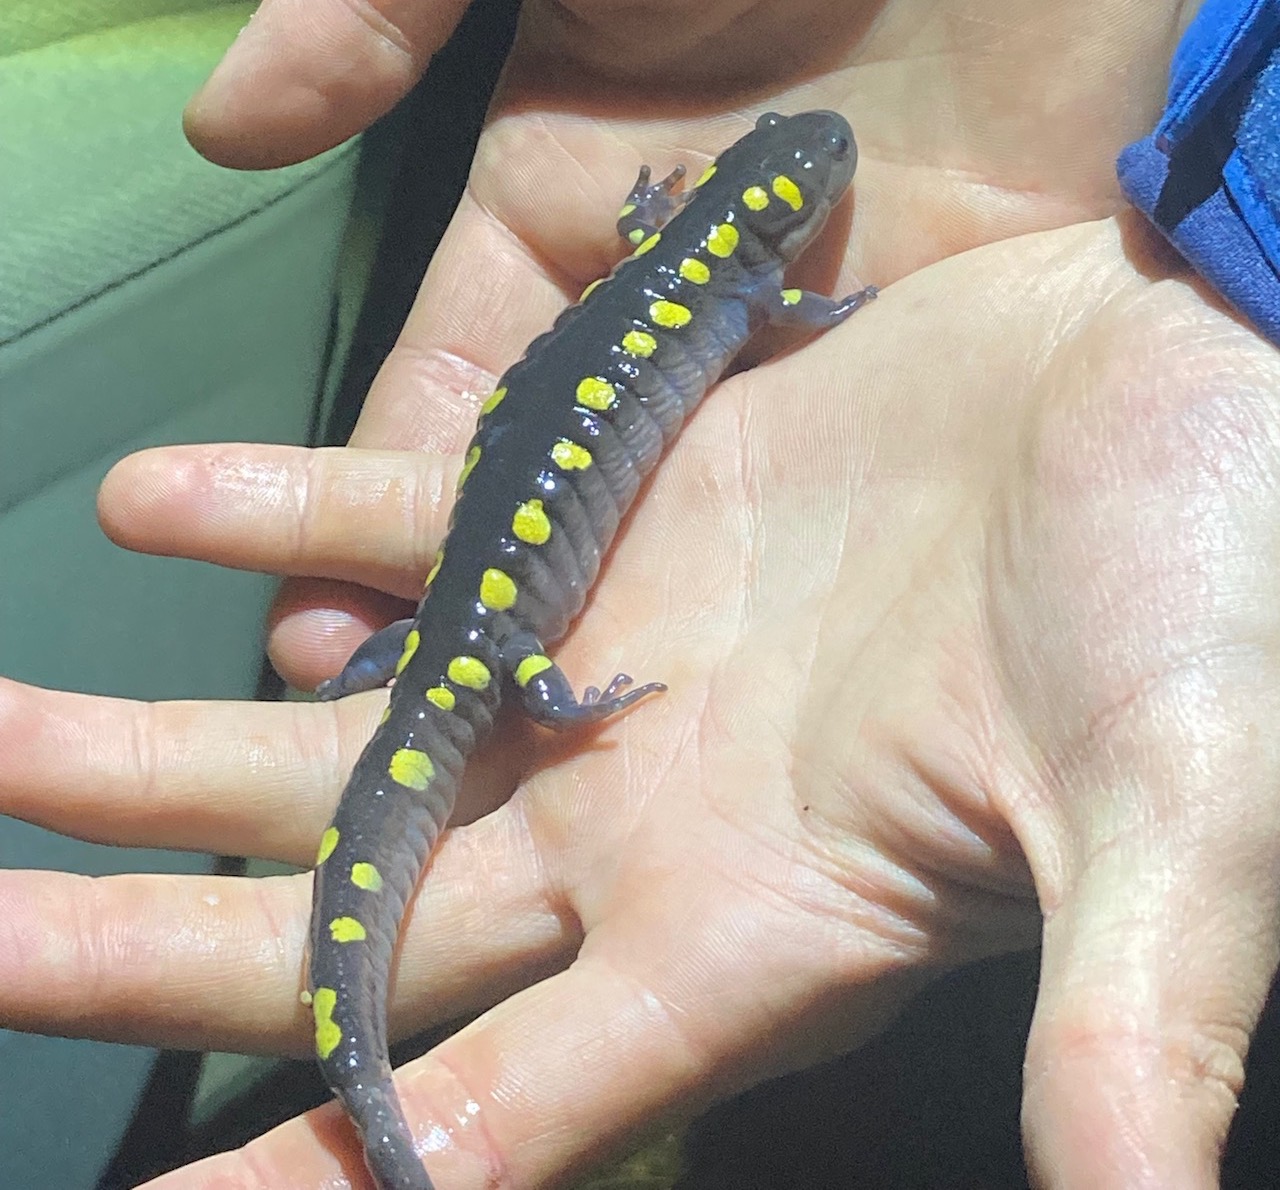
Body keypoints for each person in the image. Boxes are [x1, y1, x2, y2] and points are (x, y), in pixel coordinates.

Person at [2, 1, 1278, 1186]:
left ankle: (396, 722)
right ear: (764, 224)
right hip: (482, 639)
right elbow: (795, 307)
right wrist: (563, 702)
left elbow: (720, 268)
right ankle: (396, 974)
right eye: (799, 187)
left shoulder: (689, 251)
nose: (824, 186)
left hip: (452, 622)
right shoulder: (750, 287)